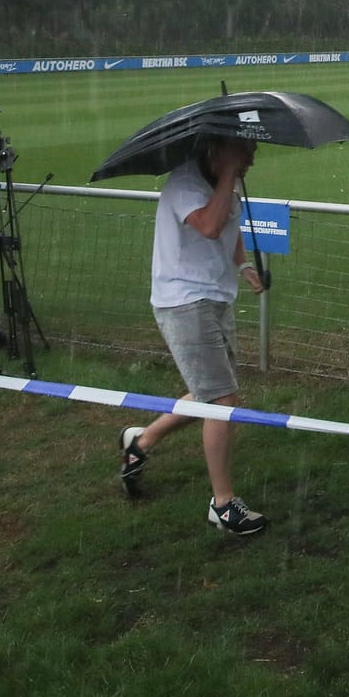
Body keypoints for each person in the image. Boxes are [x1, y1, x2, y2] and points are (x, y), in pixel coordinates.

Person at [117, 136, 269, 536]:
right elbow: (208, 224)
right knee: (223, 398)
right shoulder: (184, 182)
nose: (252, 158)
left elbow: (229, 229)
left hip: (216, 297)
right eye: (245, 151)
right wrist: (229, 175)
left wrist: (243, 267)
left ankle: (141, 442)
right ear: (216, 149)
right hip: (184, 300)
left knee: (211, 391)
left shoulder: (225, 182)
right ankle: (222, 505)